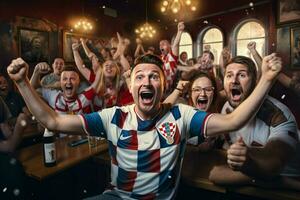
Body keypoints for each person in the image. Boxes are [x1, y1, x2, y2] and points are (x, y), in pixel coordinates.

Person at [7, 52, 281, 199]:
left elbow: (234, 119)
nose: (147, 83)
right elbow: (52, 120)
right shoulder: (112, 116)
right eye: (140, 77)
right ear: (130, 85)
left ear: (164, 85)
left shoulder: (182, 115)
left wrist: (267, 77)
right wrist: (22, 83)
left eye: (154, 77)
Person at [208, 56, 300, 190]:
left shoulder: (278, 115)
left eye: (242, 75)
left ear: (255, 81)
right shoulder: (227, 108)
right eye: (229, 75)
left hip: (290, 179)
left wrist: (248, 162)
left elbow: (275, 162)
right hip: (270, 181)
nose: (234, 81)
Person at [160, 21, 184, 95]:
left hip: (168, 91)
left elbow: (176, 45)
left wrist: (179, 31)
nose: (161, 46)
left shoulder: (171, 56)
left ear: (169, 46)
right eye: (160, 45)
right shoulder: (160, 57)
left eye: (163, 44)